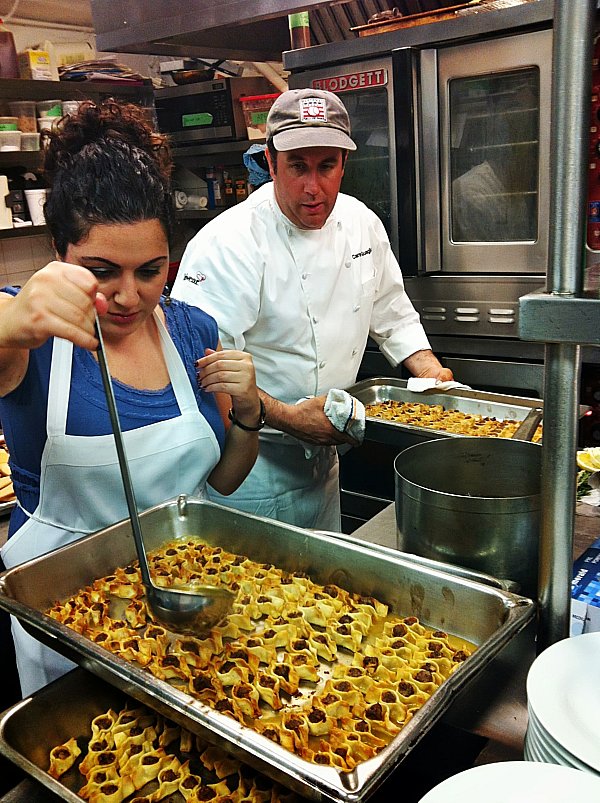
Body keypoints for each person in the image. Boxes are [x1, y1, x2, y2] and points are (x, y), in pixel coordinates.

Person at [0, 100, 262, 697]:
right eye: (101, 270)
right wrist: (11, 321)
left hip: (186, 612)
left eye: (150, 270)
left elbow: (220, 482)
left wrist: (249, 415)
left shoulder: (192, 330)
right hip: (67, 636)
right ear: (59, 251)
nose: (127, 295)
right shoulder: (29, 331)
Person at [171, 88, 452, 532]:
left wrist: (430, 371)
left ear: (344, 163)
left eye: (326, 167)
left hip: (325, 463)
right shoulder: (227, 243)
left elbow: (392, 312)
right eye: (297, 167)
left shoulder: (362, 224)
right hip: (249, 472)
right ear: (270, 161)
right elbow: (204, 372)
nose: (313, 188)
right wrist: (287, 416)